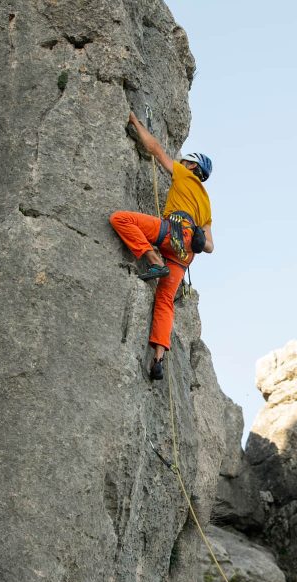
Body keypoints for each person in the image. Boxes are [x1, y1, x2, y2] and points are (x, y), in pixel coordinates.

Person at [109, 111, 214, 380]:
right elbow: (210, 246)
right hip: (185, 253)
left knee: (121, 219)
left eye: (185, 162)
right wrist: (200, 240)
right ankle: (158, 358)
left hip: (172, 233)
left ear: (192, 167)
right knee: (165, 300)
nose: (181, 163)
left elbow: (155, 149)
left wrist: (134, 121)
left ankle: (154, 261)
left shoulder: (184, 175)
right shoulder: (206, 203)